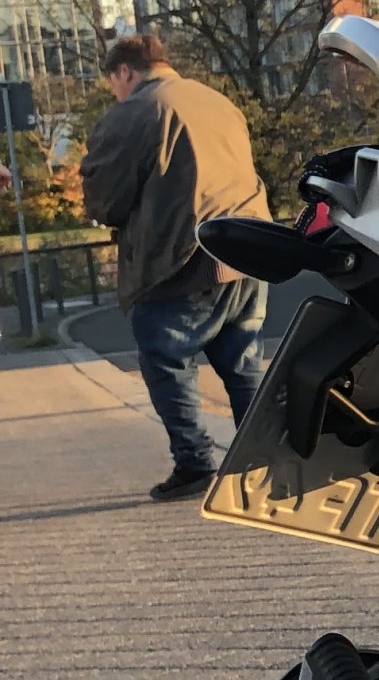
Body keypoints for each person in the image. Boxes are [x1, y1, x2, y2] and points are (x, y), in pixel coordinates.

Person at [80, 34, 271, 500]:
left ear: (125, 71)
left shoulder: (137, 112)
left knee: (167, 360)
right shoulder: (217, 101)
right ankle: (264, 459)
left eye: (113, 82)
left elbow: (106, 198)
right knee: (243, 363)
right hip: (248, 250)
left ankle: (195, 463)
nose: (115, 92)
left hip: (181, 259)